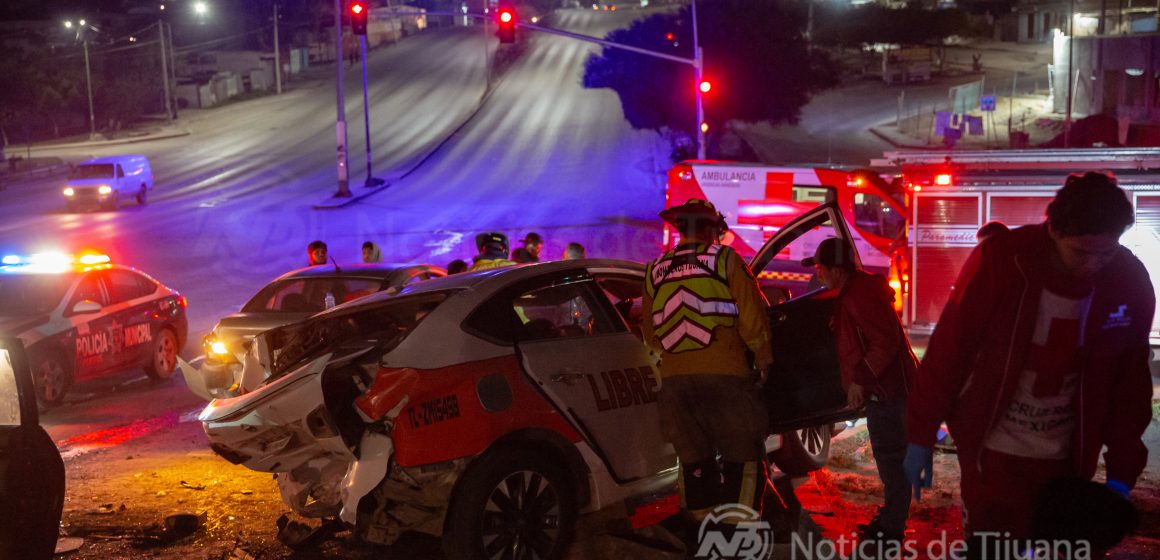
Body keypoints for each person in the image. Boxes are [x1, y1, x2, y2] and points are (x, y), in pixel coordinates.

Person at [905, 172, 1154, 554]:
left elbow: (1129, 383)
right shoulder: (1003, 261)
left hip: (1068, 462)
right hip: (992, 454)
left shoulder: (1127, 280)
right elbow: (950, 349)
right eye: (1082, 253)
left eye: (1105, 253)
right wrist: (920, 435)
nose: (1093, 265)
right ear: (1053, 229)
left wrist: (1122, 474)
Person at [641, 198, 773, 531]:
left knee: (693, 458)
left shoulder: (655, 269)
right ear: (707, 228)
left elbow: (650, 331)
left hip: (674, 381)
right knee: (742, 455)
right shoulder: (725, 260)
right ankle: (738, 535)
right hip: (725, 375)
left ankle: (700, 532)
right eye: (716, 229)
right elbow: (751, 316)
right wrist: (763, 356)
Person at [803, 237, 916, 545]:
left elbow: (883, 342)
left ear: (836, 269)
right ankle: (891, 519)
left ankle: (892, 530)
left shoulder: (858, 295)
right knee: (891, 460)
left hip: (889, 391)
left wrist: (860, 381)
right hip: (887, 390)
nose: (818, 275)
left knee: (892, 459)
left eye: (820, 268)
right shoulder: (855, 291)